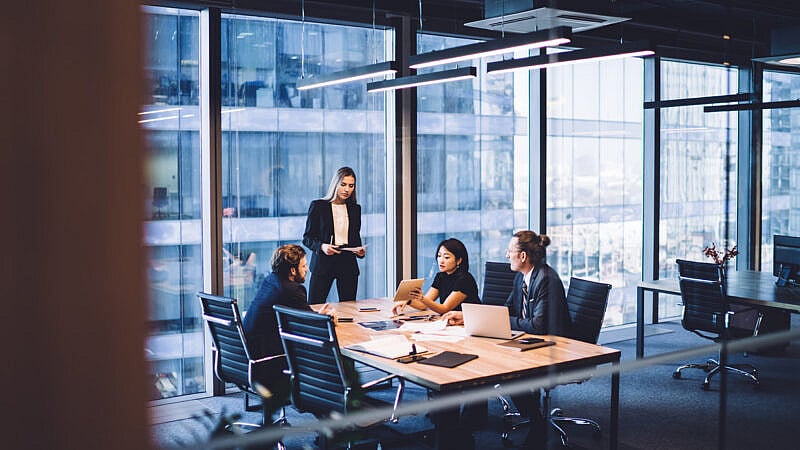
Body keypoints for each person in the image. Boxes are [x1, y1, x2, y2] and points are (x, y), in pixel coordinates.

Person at [442, 230, 570, 450]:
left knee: (504, 371)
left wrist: (505, 322)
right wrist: (466, 316)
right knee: (482, 367)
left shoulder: (546, 280)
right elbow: (507, 310)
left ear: (522, 256)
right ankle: (462, 433)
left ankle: (536, 424)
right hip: (530, 342)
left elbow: (538, 325)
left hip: (555, 347)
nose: (506, 254)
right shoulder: (522, 277)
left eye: (510, 251)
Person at [242, 244, 330, 403]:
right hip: (267, 360)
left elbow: (301, 316)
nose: (307, 269)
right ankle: (325, 400)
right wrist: (325, 319)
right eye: (303, 266)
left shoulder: (270, 281)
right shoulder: (293, 290)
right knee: (325, 348)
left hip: (247, 354)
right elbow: (312, 326)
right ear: (292, 270)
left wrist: (316, 315)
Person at [303, 166, 366, 304]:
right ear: (335, 184)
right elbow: (307, 238)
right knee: (315, 304)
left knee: (349, 307)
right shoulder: (318, 206)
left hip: (347, 262)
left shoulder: (355, 209)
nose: (347, 189)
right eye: (343, 185)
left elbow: (355, 237)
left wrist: (359, 251)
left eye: (351, 186)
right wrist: (322, 247)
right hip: (324, 262)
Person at [392, 238, 480, 316]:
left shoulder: (465, 280)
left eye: (446, 257)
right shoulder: (441, 276)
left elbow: (445, 309)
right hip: (450, 321)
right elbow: (423, 305)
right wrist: (409, 301)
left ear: (459, 260)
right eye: (439, 256)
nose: (441, 260)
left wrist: (422, 298)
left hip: (470, 323)